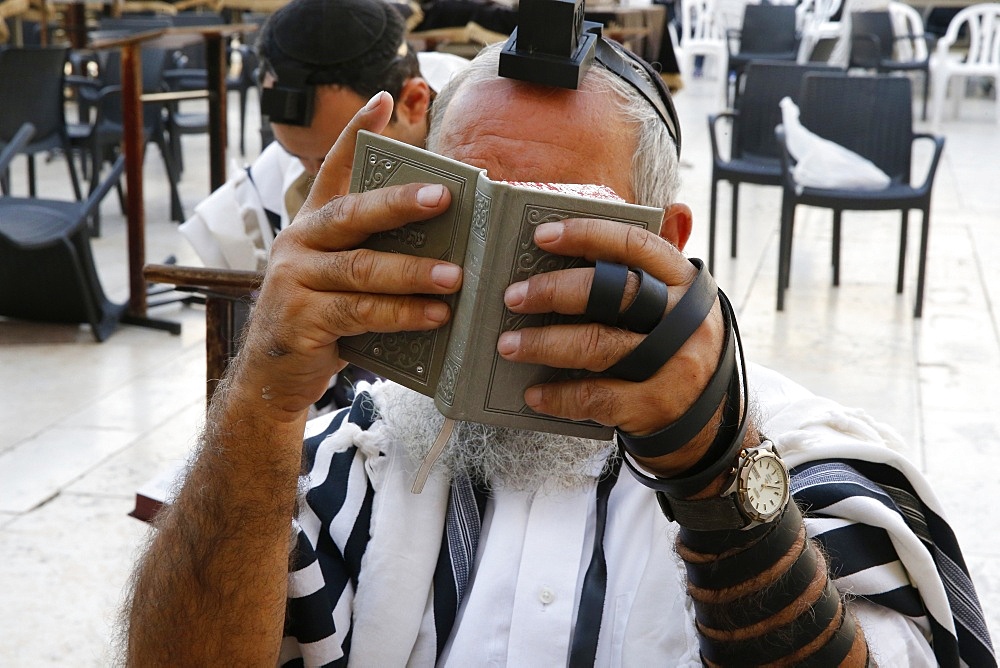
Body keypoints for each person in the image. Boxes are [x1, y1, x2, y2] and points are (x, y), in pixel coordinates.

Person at [122, 38, 995, 667]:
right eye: (468, 221)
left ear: (669, 240)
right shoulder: (355, 453)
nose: (498, 293)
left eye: (548, 235)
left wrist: (716, 475)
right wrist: (264, 399)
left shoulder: (806, 460)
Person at [178, 0, 469, 271]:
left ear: (412, 103)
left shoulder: (486, 120)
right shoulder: (254, 205)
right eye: (295, 154)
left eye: (335, 157)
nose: (317, 176)